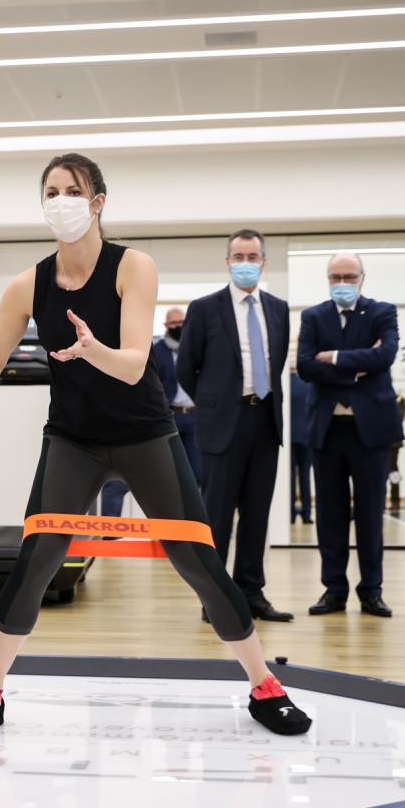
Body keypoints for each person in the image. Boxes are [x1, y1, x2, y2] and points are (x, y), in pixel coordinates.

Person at [0, 154, 311, 740]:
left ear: (98, 201)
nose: (60, 201)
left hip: (144, 434)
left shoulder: (135, 266)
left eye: (72, 190)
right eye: (50, 191)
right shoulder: (27, 283)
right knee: (36, 561)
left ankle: (264, 685)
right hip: (72, 439)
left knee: (196, 559)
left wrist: (88, 350)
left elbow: (132, 366)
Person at [177, 230, 294, 623]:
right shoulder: (205, 308)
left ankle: (252, 593)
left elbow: (275, 364)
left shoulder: (278, 309)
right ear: (228, 262)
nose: (246, 261)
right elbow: (185, 368)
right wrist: (213, 402)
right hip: (222, 424)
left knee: (257, 515)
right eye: (239, 255)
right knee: (218, 517)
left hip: (264, 421)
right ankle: (214, 597)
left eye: (253, 255)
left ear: (264, 260)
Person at [297, 253, 403, 619]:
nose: (342, 282)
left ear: (362, 278)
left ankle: (371, 591)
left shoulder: (382, 312)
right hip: (327, 431)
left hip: (370, 431)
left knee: (371, 515)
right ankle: (334, 589)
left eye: (349, 275)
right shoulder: (313, 316)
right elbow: (307, 366)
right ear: (327, 279)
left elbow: (386, 356)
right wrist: (357, 366)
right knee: (330, 514)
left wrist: (335, 358)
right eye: (335, 276)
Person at [100, 307, 199, 517]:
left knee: (196, 476)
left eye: (182, 322)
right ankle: (111, 535)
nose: (178, 327)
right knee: (138, 478)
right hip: (165, 417)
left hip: (194, 417)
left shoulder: (196, 349)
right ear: (165, 326)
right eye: (174, 323)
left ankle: (189, 529)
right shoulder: (155, 350)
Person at [290, 365, 314, 524]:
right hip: (307, 436)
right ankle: (306, 514)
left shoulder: (286, 385)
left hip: (290, 437)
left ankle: (290, 513)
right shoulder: (308, 385)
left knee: (290, 478)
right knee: (305, 476)